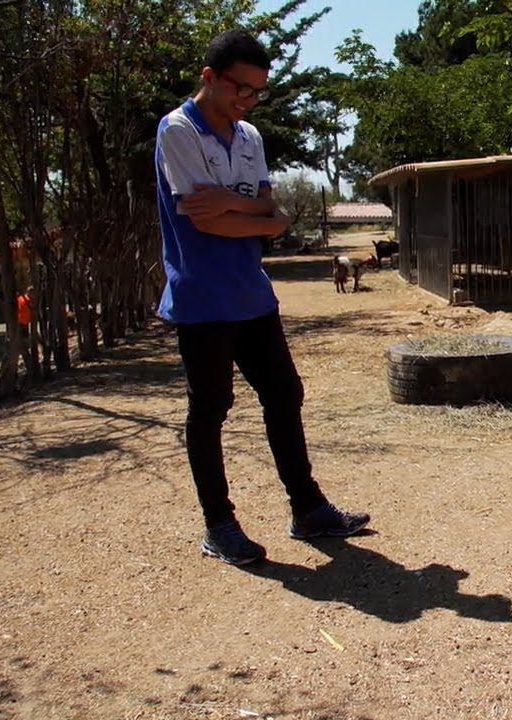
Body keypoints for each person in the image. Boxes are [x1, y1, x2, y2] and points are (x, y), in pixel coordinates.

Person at [155, 29, 369, 565]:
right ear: (209, 77)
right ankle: (219, 525)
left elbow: (273, 218)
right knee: (210, 409)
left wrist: (236, 207)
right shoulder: (177, 129)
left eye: (256, 93)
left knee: (284, 395)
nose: (246, 102)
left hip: (253, 293)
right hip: (202, 298)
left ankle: (308, 509)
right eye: (239, 89)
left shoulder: (248, 136)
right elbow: (205, 223)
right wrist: (250, 215)